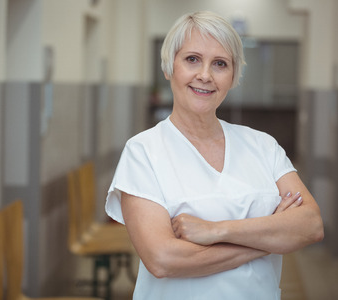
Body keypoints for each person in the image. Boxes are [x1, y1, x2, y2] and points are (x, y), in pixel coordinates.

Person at [105, 11, 324, 300]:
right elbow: (162, 259)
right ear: (169, 67)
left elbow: (310, 224)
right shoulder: (143, 151)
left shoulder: (262, 146)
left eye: (220, 64)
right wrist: (270, 239)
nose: (205, 75)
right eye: (192, 59)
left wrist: (215, 231)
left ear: (233, 76)